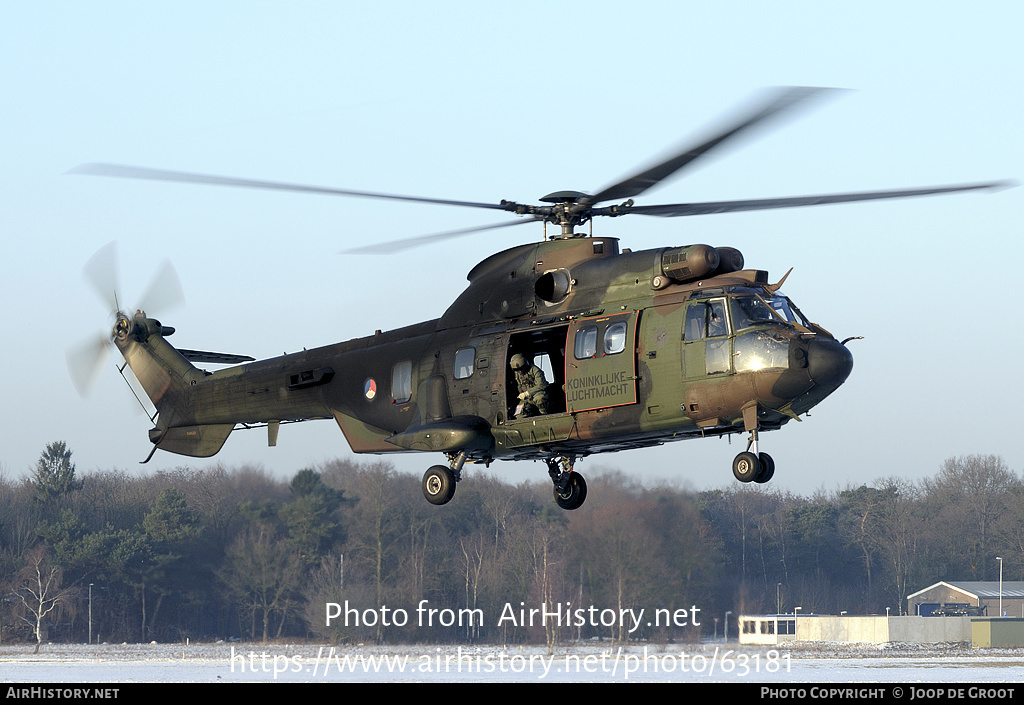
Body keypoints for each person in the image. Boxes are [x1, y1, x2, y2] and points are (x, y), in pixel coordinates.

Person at [510, 353, 548, 418]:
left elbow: (541, 385)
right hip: (526, 398)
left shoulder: (535, 370)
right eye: (516, 370)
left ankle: (545, 415)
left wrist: (527, 393)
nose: (520, 371)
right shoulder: (517, 374)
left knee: (540, 399)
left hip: (537, 394)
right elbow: (519, 385)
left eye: (521, 368)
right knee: (518, 414)